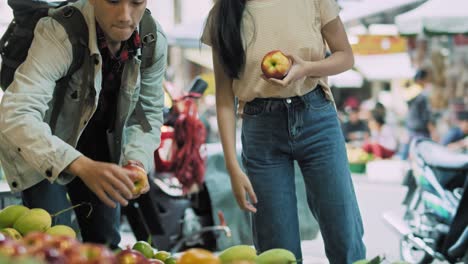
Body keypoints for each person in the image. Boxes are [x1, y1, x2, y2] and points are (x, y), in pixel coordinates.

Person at [201, 0, 366, 263]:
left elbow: (345, 56)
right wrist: (233, 167)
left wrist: (307, 69)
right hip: (261, 129)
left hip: (316, 118)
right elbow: (224, 97)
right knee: (277, 250)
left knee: (345, 235)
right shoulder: (223, 12)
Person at [0, 0, 167, 248]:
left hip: (102, 149)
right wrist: (80, 165)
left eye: (136, 2)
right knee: (54, 243)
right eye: (112, 1)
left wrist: (136, 160)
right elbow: (17, 112)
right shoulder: (59, 32)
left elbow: (149, 112)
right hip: (45, 146)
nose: (125, 15)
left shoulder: (152, 39)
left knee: (106, 244)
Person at [400, 69, 436, 160]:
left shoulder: (409, 93)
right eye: (427, 80)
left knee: (406, 156)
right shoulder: (422, 95)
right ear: (422, 80)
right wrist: (433, 132)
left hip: (410, 128)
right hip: (421, 131)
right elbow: (426, 115)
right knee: (422, 157)